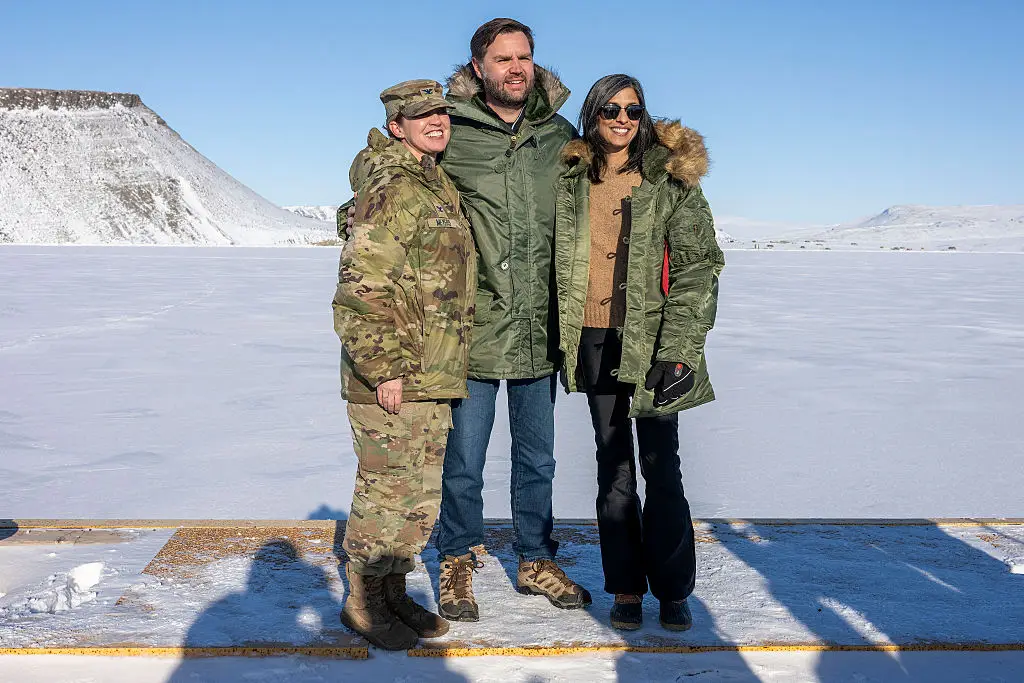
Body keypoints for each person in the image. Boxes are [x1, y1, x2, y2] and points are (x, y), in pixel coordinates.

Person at [553, 74, 724, 631]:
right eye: (610, 108)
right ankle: (626, 587)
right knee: (613, 467)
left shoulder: (670, 181)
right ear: (592, 114)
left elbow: (699, 268)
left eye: (632, 109)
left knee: (661, 465)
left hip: (654, 344)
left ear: (643, 117)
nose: (621, 118)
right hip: (594, 338)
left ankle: (673, 588)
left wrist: (679, 352)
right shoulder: (570, 179)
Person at [433, 18, 591, 621]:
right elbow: (396, 188)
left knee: (537, 460)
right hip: (471, 329)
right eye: (503, 60)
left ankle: (535, 559)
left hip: (539, 329)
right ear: (478, 68)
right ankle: (456, 560)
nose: (516, 68)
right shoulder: (452, 130)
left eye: (524, 57)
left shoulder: (559, 134)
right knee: (463, 461)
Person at [332, 79, 477, 650]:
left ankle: (393, 592)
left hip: (432, 371)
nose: (437, 121)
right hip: (394, 372)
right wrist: (384, 367)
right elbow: (363, 287)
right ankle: (362, 600)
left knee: (416, 495)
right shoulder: (391, 186)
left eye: (442, 112)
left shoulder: (433, 183)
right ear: (397, 126)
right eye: (422, 116)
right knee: (385, 490)